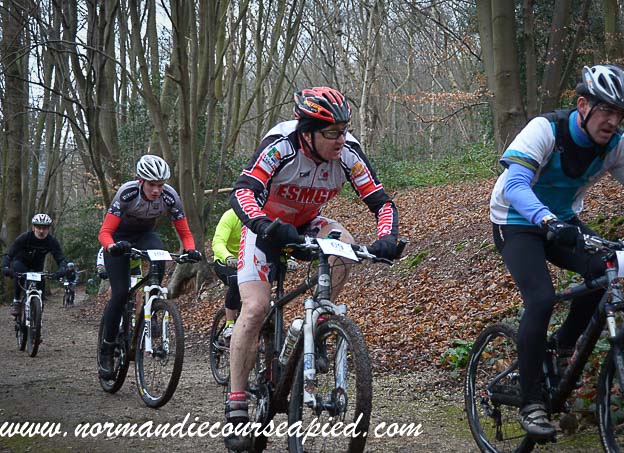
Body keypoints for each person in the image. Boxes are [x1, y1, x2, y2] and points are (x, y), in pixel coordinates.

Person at [489, 64, 624, 439]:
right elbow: (515, 184)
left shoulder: (617, 143)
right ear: (582, 105)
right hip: (514, 219)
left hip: (561, 219)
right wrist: (546, 220)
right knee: (541, 298)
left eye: (620, 113)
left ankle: (562, 347)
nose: (613, 121)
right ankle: (531, 403)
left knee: (603, 272)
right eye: (606, 110)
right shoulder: (546, 130)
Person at [225, 86, 400, 449]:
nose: (341, 139)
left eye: (344, 130)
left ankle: (318, 326)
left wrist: (386, 237)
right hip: (266, 226)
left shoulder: (347, 154)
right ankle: (237, 404)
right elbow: (243, 191)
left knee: (346, 246)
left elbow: (382, 203)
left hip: (307, 224)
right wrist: (262, 224)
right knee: (255, 308)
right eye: (332, 132)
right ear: (307, 133)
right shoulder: (281, 146)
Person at [97, 154, 202, 379]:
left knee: (159, 253)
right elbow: (104, 232)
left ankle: (152, 305)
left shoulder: (170, 196)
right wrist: (112, 247)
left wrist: (190, 249)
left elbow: (185, 232)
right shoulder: (127, 193)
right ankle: (107, 349)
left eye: (160, 185)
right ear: (141, 180)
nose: (156, 190)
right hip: (118, 238)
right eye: (152, 184)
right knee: (120, 293)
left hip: (145, 236)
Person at [2, 214, 68, 316]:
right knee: (19, 276)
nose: (41, 231)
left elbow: (60, 258)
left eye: (44, 228)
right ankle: (17, 301)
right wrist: (6, 267)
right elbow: (9, 254)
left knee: (41, 284)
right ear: (33, 227)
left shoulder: (51, 241)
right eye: (39, 228)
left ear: (48, 229)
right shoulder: (24, 238)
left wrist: (62, 269)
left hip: (37, 266)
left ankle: (38, 308)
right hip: (21, 262)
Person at [211, 208, 242, 347]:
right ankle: (230, 324)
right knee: (236, 280)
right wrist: (228, 257)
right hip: (225, 261)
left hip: (248, 261)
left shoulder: (260, 216)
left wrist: (286, 257)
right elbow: (218, 242)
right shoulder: (230, 216)